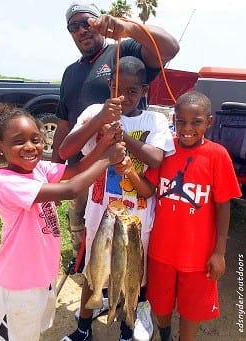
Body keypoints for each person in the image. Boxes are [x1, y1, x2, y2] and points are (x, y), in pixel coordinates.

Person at [0, 103, 126, 341]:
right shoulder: (7, 183)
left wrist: (105, 142)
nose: (30, 147)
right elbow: (71, 190)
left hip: (41, 276)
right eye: (18, 141)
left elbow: (77, 169)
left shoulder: (38, 169)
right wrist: (108, 159)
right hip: (19, 283)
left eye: (35, 139)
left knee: (31, 331)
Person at [51, 1, 179, 278]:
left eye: (87, 22)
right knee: (84, 223)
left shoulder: (122, 51)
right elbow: (63, 123)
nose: (82, 30)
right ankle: (84, 265)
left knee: (121, 242)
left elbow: (169, 48)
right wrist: (53, 169)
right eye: (74, 26)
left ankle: (123, 289)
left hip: (121, 170)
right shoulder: (70, 72)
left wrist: (128, 27)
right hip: (81, 166)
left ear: (99, 22)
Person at [59, 56, 175, 341]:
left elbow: (156, 159)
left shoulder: (155, 120)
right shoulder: (95, 112)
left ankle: (127, 326)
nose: (124, 96)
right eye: (118, 89)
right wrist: (100, 120)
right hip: (101, 211)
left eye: (133, 91)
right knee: (94, 268)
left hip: (138, 216)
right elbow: (65, 150)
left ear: (145, 91)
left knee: (131, 273)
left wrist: (128, 139)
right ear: (110, 86)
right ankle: (84, 328)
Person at [142, 91, 242, 341]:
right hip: (161, 250)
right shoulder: (165, 149)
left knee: (192, 309)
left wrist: (218, 252)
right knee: (161, 304)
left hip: (197, 256)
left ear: (209, 122)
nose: (187, 128)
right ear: (173, 120)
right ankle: (164, 333)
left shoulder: (217, 155)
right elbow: (149, 187)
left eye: (196, 122)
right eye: (181, 121)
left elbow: (223, 206)